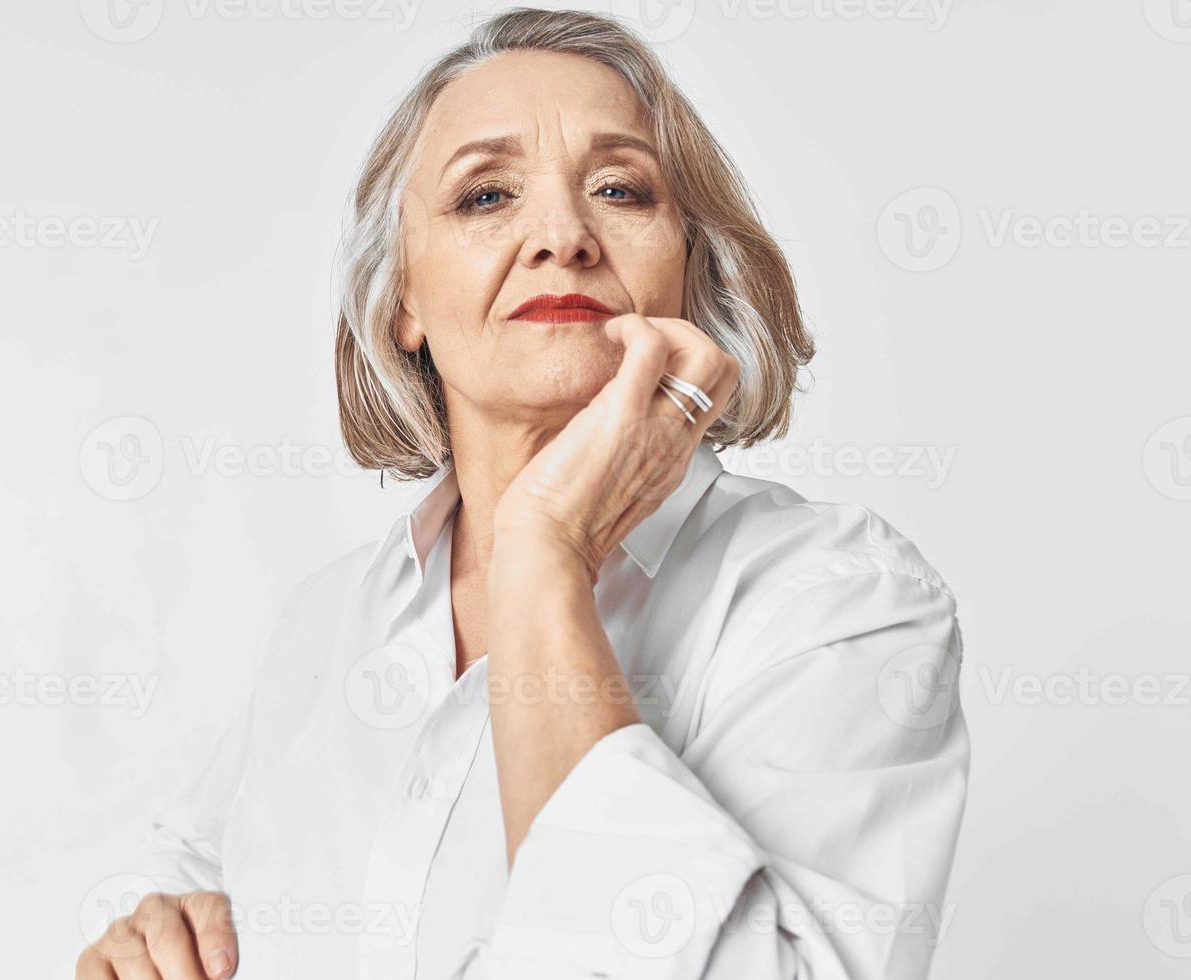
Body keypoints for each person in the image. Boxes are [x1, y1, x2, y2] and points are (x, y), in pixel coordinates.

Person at [76, 8, 969, 978]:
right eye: (486, 195)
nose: (562, 236)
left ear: (693, 272)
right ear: (402, 297)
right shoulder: (327, 620)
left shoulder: (834, 598)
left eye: (622, 188)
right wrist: (152, 933)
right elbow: (199, 872)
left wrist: (545, 556)